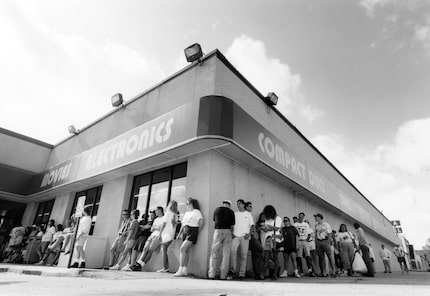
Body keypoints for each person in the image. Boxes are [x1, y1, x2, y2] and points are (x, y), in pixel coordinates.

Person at [174, 197, 204, 277]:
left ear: (191, 204)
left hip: (192, 230)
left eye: (187, 203)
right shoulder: (187, 213)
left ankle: (180, 269)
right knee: (186, 251)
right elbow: (183, 224)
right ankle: (184, 269)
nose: (186, 205)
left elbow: (201, 222)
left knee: (182, 249)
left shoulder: (197, 212)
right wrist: (179, 234)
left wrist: (197, 231)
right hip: (185, 231)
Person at [208, 200, 235, 280]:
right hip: (227, 232)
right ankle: (223, 276)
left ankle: (211, 274)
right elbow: (232, 226)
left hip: (217, 231)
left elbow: (214, 222)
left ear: (223, 204)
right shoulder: (231, 212)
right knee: (226, 255)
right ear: (229, 205)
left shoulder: (217, 210)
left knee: (214, 253)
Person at [130, 207, 164, 271]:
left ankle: (139, 265)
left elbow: (162, 228)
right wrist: (157, 228)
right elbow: (151, 229)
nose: (155, 212)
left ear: (160, 210)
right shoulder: (156, 220)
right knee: (145, 249)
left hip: (158, 236)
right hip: (152, 235)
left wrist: (155, 228)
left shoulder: (164, 218)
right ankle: (139, 263)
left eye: (156, 211)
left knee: (150, 251)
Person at [229, 199, 254, 280]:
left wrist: (248, 234)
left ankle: (242, 274)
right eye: (237, 204)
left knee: (244, 255)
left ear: (243, 205)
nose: (238, 205)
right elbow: (231, 225)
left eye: (239, 204)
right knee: (233, 251)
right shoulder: (235, 214)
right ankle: (233, 270)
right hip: (236, 236)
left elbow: (252, 226)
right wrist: (232, 233)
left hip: (244, 237)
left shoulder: (248, 214)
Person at [261, 205, 282, 280]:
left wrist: (268, 227)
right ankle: (262, 274)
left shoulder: (277, 218)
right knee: (266, 257)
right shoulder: (267, 219)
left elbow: (277, 228)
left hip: (274, 238)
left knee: (275, 257)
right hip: (267, 238)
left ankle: (275, 274)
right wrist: (264, 228)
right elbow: (268, 228)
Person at [157, 201, 178, 273]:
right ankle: (166, 267)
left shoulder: (168, 213)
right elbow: (175, 226)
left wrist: (159, 233)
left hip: (165, 235)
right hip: (171, 235)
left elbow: (164, 224)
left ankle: (165, 267)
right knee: (165, 251)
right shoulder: (175, 215)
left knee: (164, 251)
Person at [246, 202, 264, 280]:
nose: (251, 208)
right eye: (249, 206)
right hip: (248, 236)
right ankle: (258, 273)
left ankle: (258, 273)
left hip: (252, 236)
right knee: (259, 249)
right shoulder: (245, 214)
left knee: (256, 253)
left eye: (251, 206)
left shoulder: (249, 215)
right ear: (245, 207)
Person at [314, 213, 336, 278]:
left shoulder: (326, 225)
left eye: (316, 217)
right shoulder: (316, 226)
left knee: (329, 256)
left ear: (320, 217)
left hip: (325, 240)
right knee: (321, 257)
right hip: (319, 241)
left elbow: (329, 234)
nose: (315, 218)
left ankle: (333, 271)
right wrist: (316, 242)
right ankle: (323, 272)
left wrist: (328, 242)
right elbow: (316, 234)